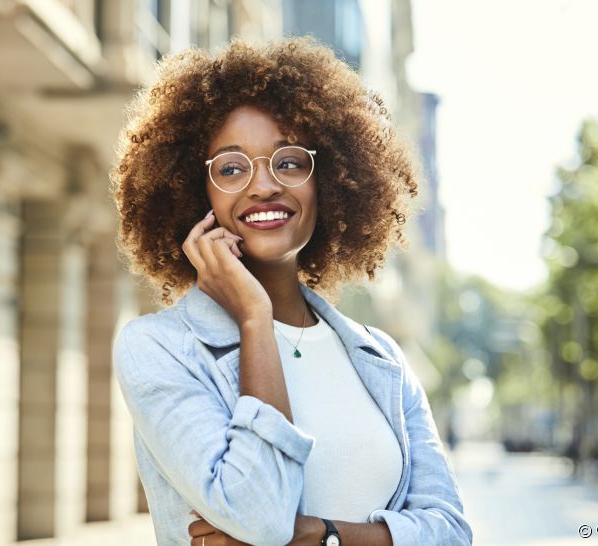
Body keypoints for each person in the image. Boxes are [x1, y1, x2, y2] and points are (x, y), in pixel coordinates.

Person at [111, 37, 472, 546]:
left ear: (328, 181)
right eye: (231, 169)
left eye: (290, 162)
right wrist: (255, 318)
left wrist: (325, 536)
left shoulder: (380, 358)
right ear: (195, 193)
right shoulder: (160, 348)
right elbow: (260, 516)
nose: (263, 186)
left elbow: (452, 531)